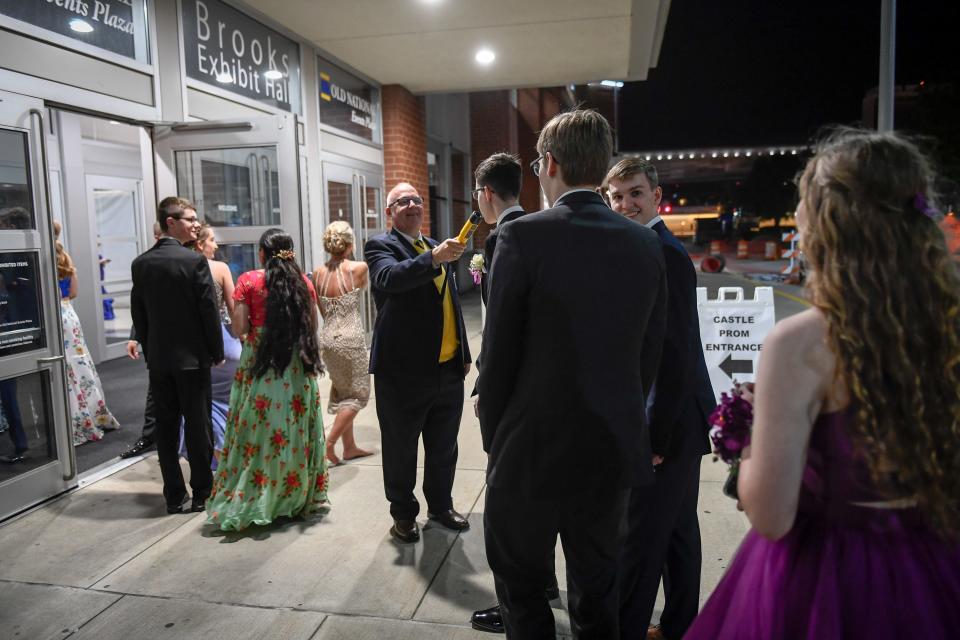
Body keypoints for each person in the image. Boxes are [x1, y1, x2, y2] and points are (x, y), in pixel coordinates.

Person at [686, 129, 960, 638]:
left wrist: (747, 438)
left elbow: (770, 515)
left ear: (825, 227)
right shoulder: (948, 328)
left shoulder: (804, 343)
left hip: (830, 581)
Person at [477, 109, 667, 638]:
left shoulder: (524, 237)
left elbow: (499, 355)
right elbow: (648, 354)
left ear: (550, 163)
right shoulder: (645, 243)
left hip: (531, 445)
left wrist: (496, 436)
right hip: (610, 445)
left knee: (519, 586)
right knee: (597, 588)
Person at [604, 159, 715, 640]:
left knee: (641, 540)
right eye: (617, 197)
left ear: (656, 195)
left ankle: (628, 630)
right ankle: (680, 626)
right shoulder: (648, 246)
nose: (626, 204)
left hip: (666, 423)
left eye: (635, 194)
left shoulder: (663, 251)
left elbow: (674, 352)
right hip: (681, 421)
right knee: (677, 535)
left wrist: (654, 436)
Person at [468, 152, 558, 635]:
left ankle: (521, 602)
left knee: (513, 510)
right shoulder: (538, 228)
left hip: (515, 393)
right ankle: (541, 583)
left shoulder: (506, 235)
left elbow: (504, 328)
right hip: (538, 389)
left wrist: (488, 386)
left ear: (485, 193)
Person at [364, 181, 472, 544]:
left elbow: (450, 302)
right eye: (402, 201)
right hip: (403, 374)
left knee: (444, 447)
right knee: (401, 447)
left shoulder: (432, 245)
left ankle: (440, 506)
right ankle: (403, 515)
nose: (411, 204)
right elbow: (389, 278)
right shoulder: (381, 246)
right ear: (390, 211)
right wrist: (434, 259)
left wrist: (463, 353)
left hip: (447, 370)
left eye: (416, 199)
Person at [205, 229, 329, 531]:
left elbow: (237, 328)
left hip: (260, 364)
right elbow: (313, 326)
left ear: (262, 253)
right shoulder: (304, 283)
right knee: (295, 427)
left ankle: (261, 494)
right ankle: (293, 494)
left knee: (258, 429)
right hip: (296, 365)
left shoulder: (248, 280)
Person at [131, 197, 223, 514]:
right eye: (189, 219)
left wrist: (149, 351)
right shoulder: (193, 262)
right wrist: (216, 351)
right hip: (193, 360)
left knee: (166, 431)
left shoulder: (141, 264)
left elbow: (139, 315)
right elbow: (207, 311)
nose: (196, 224)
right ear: (170, 222)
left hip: (159, 361)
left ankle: (173, 495)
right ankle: (202, 494)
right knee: (198, 428)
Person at [179, 224, 241, 468]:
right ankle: (226, 452)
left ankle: (213, 454)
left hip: (191, 345)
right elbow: (235, 308)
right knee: (226, 401)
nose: (216, 245)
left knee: (202, 403)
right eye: (212, 240)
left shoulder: (181, 270)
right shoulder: (220, 269)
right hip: (224, 342)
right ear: (199, 244)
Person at [54, 221, 121, 445]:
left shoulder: (43, 258)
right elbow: (73, 292)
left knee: (64, 367)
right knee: (81, 365)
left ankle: (73, 420)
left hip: (53, 315)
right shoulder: (64, 257)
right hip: (69, 314)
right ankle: (95, 413)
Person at [312, 221, 372, 466]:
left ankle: (349, 447)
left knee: (342, 390)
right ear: (349, 245)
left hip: (328, 338)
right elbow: (364, 290)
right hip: (351, 337)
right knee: (358, 395)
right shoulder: (359, 268)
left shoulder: (317, 273)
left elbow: (321, 309)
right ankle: (329, 443)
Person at [121, 222, 163, 460]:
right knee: (155, 393)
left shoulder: (194, 261)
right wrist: (134, 336)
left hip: (190, 343)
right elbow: (143, 304)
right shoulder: (145, 263)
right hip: (158, 340)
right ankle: (149, 437)